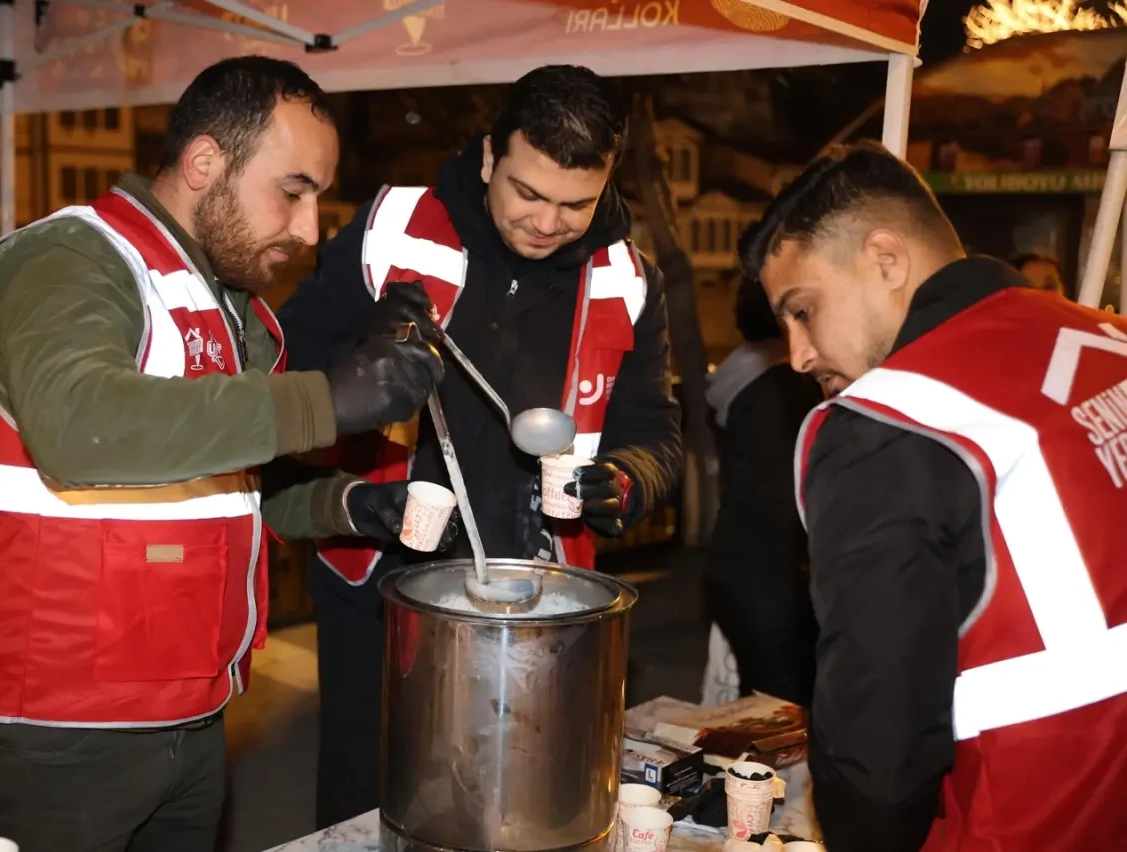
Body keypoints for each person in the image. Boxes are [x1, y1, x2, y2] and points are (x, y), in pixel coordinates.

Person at [0, 56, 447, 852]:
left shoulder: (226, 303)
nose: (308, 229)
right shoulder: (68, 257)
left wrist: (349, 505)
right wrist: (327, 398)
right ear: (205, 161)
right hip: (58, 726)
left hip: (192, 711)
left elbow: (228, 481)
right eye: (293, 191)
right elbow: (78, 428)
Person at [277, 64, 683, 827]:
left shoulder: (629, 279)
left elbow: (656, 437)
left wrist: (626, 480)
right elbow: (282, 371)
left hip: (539, 605)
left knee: (513, 812)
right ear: (491, 155)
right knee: (367, 808)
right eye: (528, 192)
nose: (548, 222)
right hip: (379, 586)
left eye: (576, 204)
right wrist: (363, 350)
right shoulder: (393, 228)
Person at [741, 141, 1127, 851]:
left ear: (886, 260)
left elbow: (876, 757)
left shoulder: (891, 426)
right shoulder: (1103, 337)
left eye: (804, 311)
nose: (797, 356)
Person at [702, 277, 820, 708]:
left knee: (757, 703)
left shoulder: (740, 379)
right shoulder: (784, 387)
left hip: (738, 566)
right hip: (773, 577)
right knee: (779, 713)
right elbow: (785, 500)